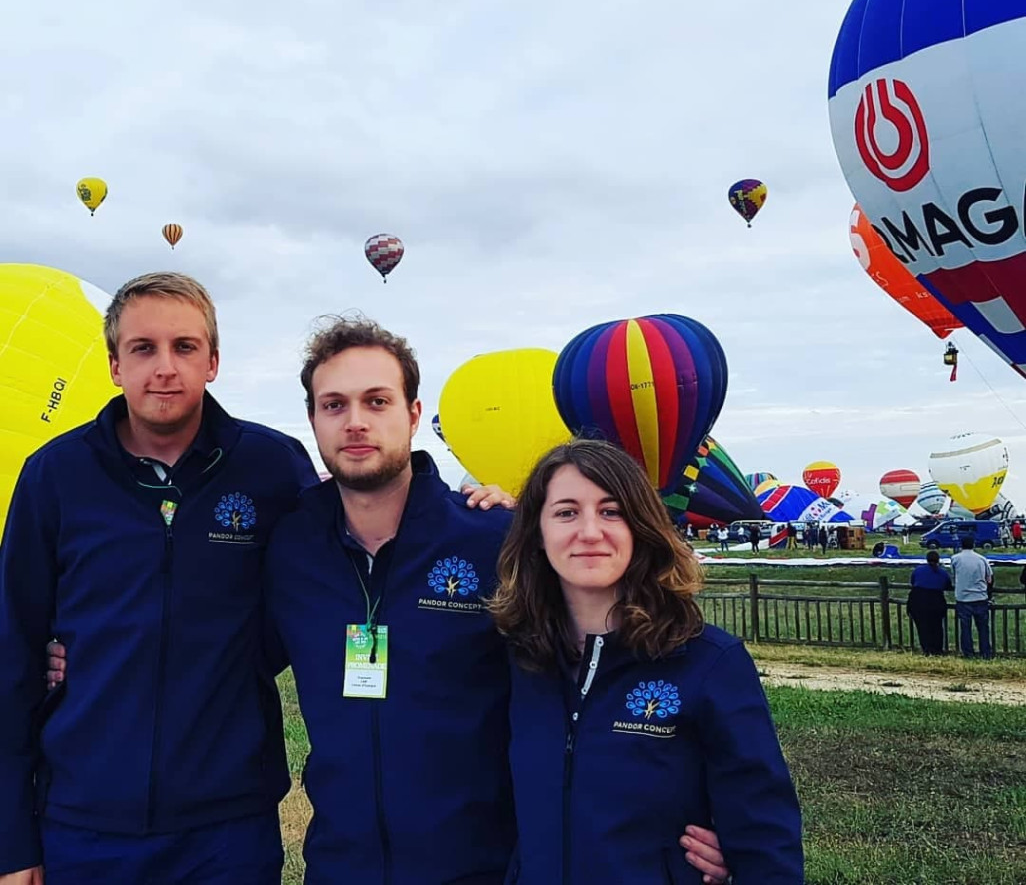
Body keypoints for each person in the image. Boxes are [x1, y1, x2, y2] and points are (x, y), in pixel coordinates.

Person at [260, 318, 731, 885]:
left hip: (487, 865)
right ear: (312, 420)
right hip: (340, 864)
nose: (356, 422)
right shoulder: (288, 547)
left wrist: (705, 810)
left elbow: (614, 668)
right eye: (333, 405)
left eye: (377, 401)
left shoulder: (495, 540)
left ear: (412, 415)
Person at [0, 273, 321, 885]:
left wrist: (469, 509)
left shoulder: (271, 467)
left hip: (227, 827)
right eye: (143, 348)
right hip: (83, 821)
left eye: (185, 347)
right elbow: (12, 648)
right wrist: (12, 840)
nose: (165, 368)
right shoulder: (54, 475)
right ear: (115, 365)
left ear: (214, 361)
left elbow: (351, 547)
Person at [488, 438, 803, 883]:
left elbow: (765, 833)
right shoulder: (519, 660)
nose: (590, 532)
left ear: (642, 527)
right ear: (537, 535)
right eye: (565, 512)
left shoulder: (708, 662)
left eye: (611, 511)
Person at [949, 536, 994, 659]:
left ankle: (968, 653)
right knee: (983, 628)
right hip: (980, 597)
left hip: (963, 598)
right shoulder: (982, 559)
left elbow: (953, 576)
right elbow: (989, 578)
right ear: (973, 545)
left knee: (965, 628)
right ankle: (986, 653)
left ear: (961, 545)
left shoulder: (955, 559)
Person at [906, 551, 952, 656]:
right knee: (936, 627)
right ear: (938, 560)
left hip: (917, 599)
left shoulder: (918, 570)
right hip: (936, 600)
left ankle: (926, 649)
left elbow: (913, 582)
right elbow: (947, 585)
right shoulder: (943, 573)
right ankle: (937, 649)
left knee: (922, 627)